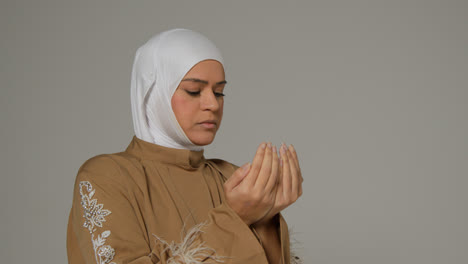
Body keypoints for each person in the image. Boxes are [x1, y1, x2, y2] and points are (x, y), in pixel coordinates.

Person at [67, 28, 303, 264]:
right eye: (194, 91)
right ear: (153, 92)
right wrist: (234, 218)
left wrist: (266, 218)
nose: (212, 104)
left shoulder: (232, 178)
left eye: (219, 92)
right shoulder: (108, 176)